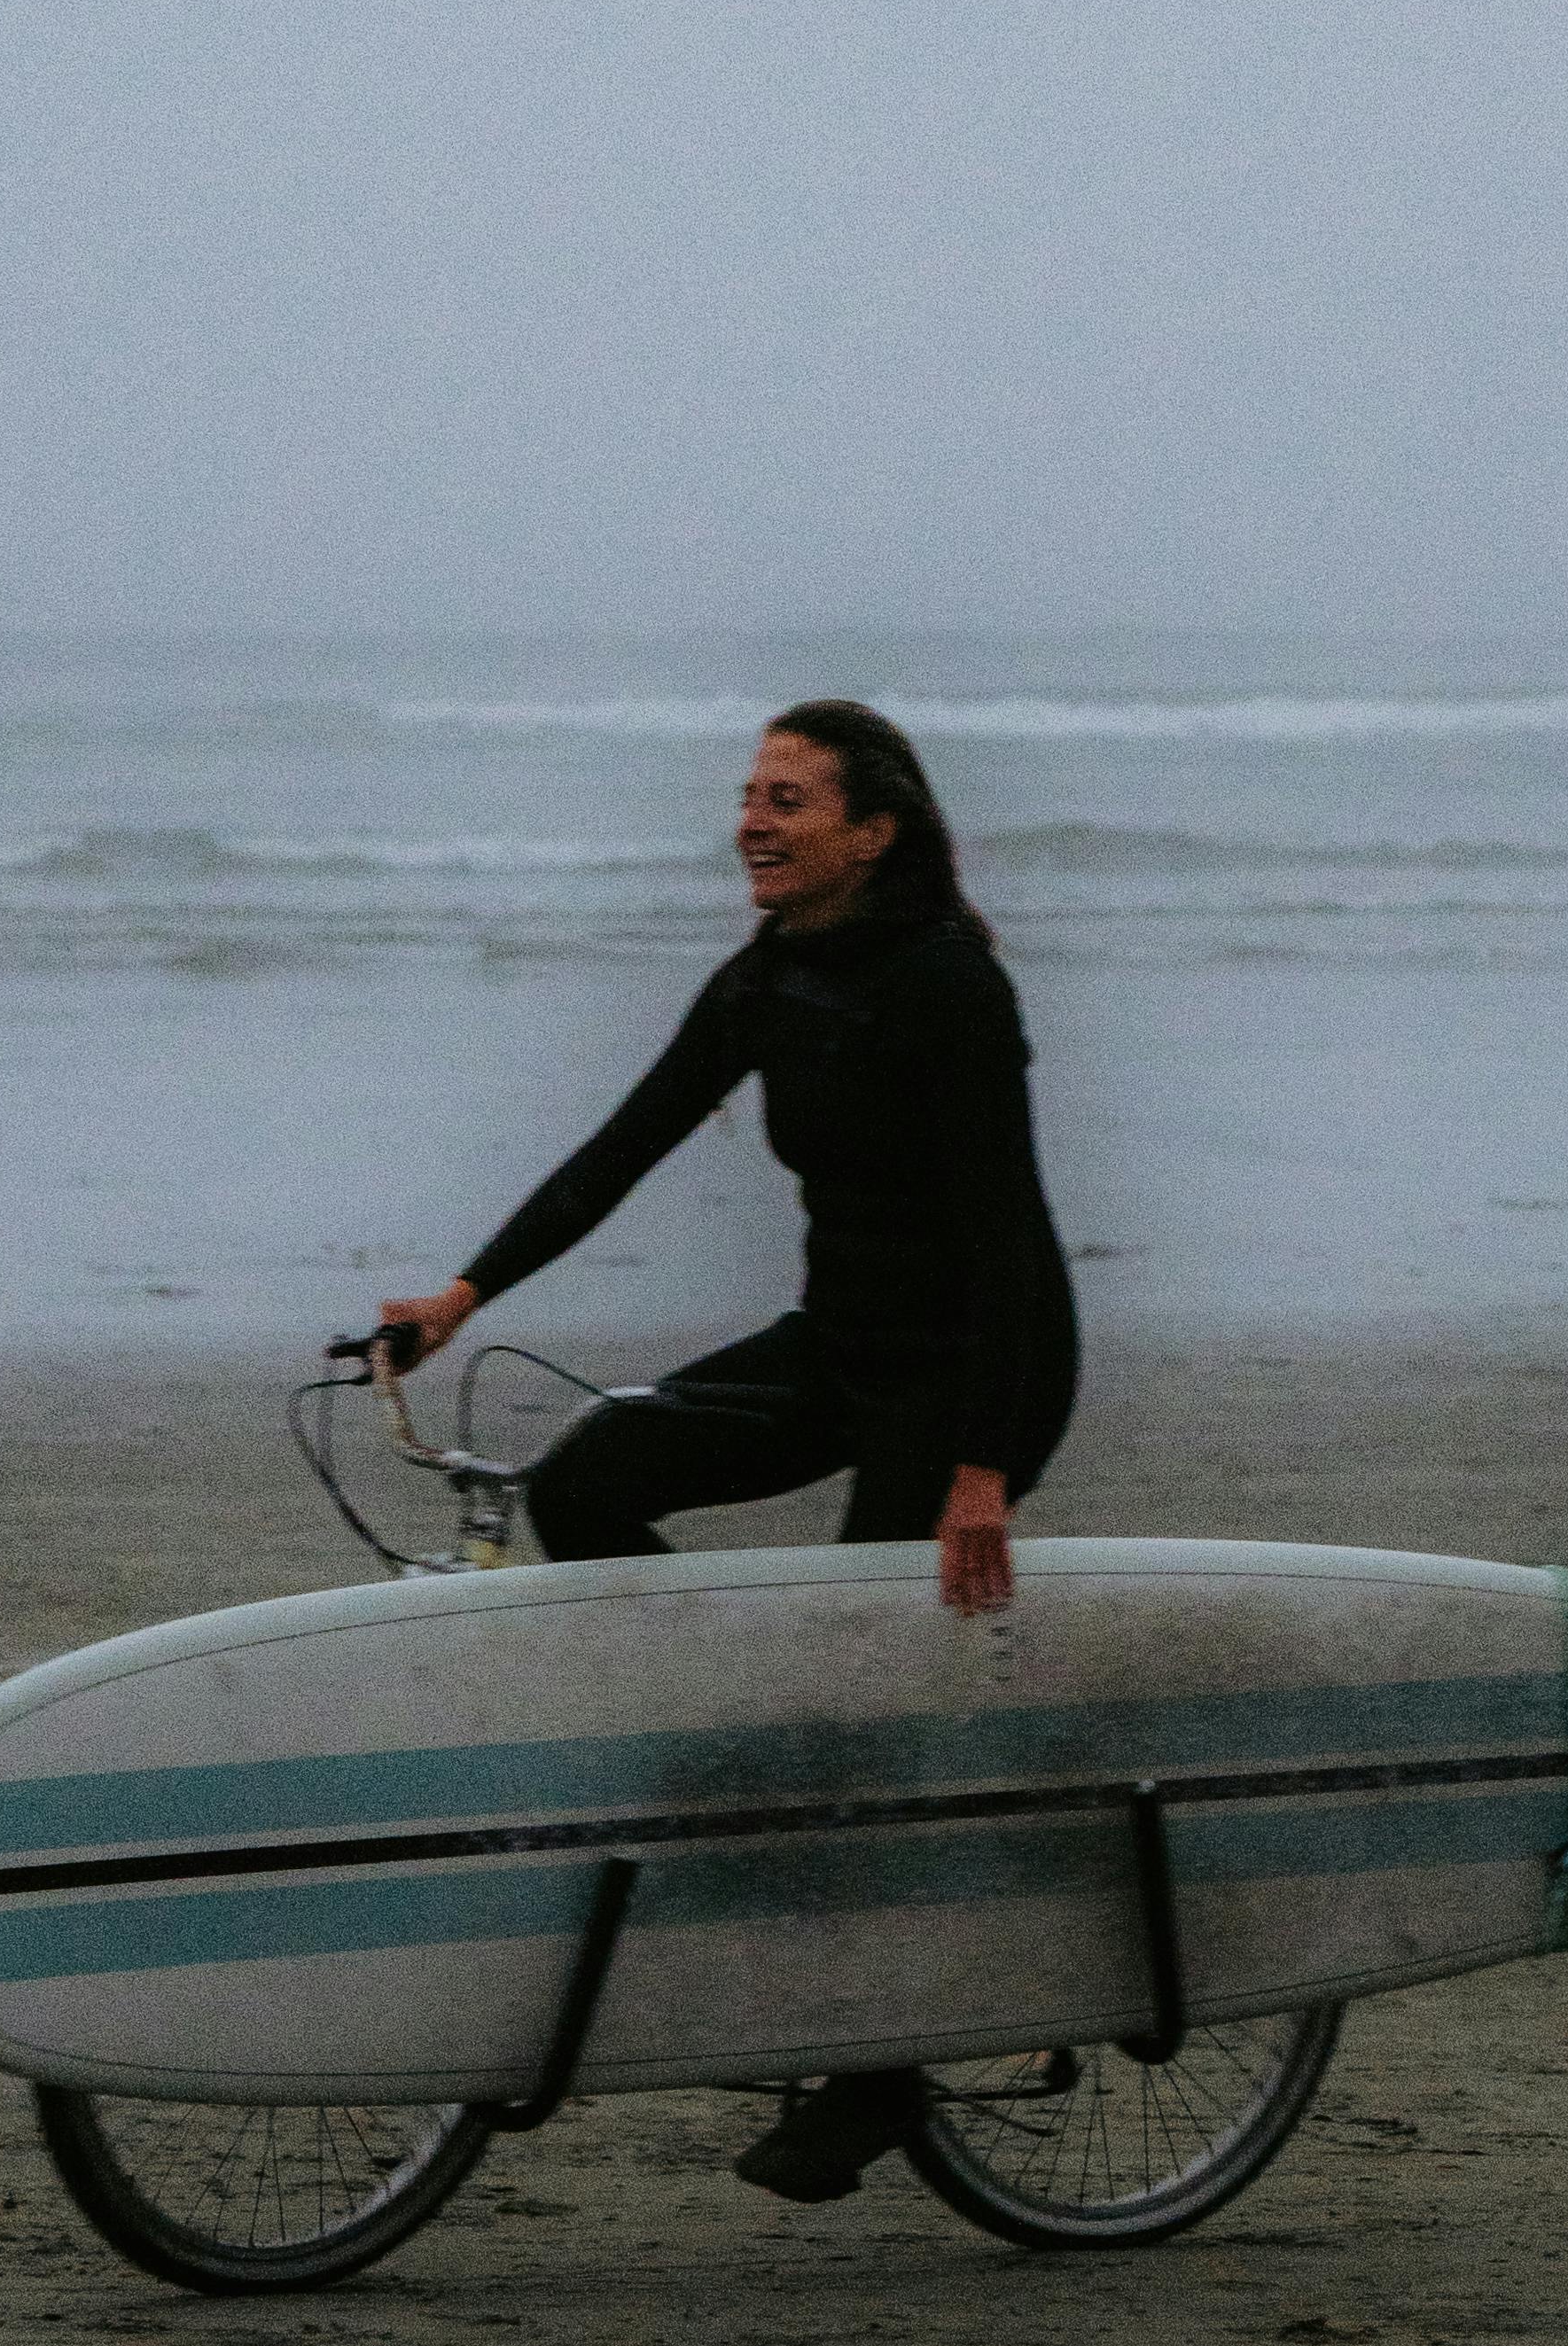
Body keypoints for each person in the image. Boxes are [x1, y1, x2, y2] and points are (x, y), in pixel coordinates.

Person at [377, 698, 1078, 2206]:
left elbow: (1008, 1235)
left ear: (871, 830)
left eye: (788, 798)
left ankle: (881, 2066)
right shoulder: (772, 976)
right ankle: (740, 1736)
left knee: (861, 1683)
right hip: (836, 1344)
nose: (752, 820)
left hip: (966, 1375)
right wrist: (460, 1296)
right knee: (582, 1479)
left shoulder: (947, 985)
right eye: (748, 794)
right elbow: (621, 1145)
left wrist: (979, 1469)